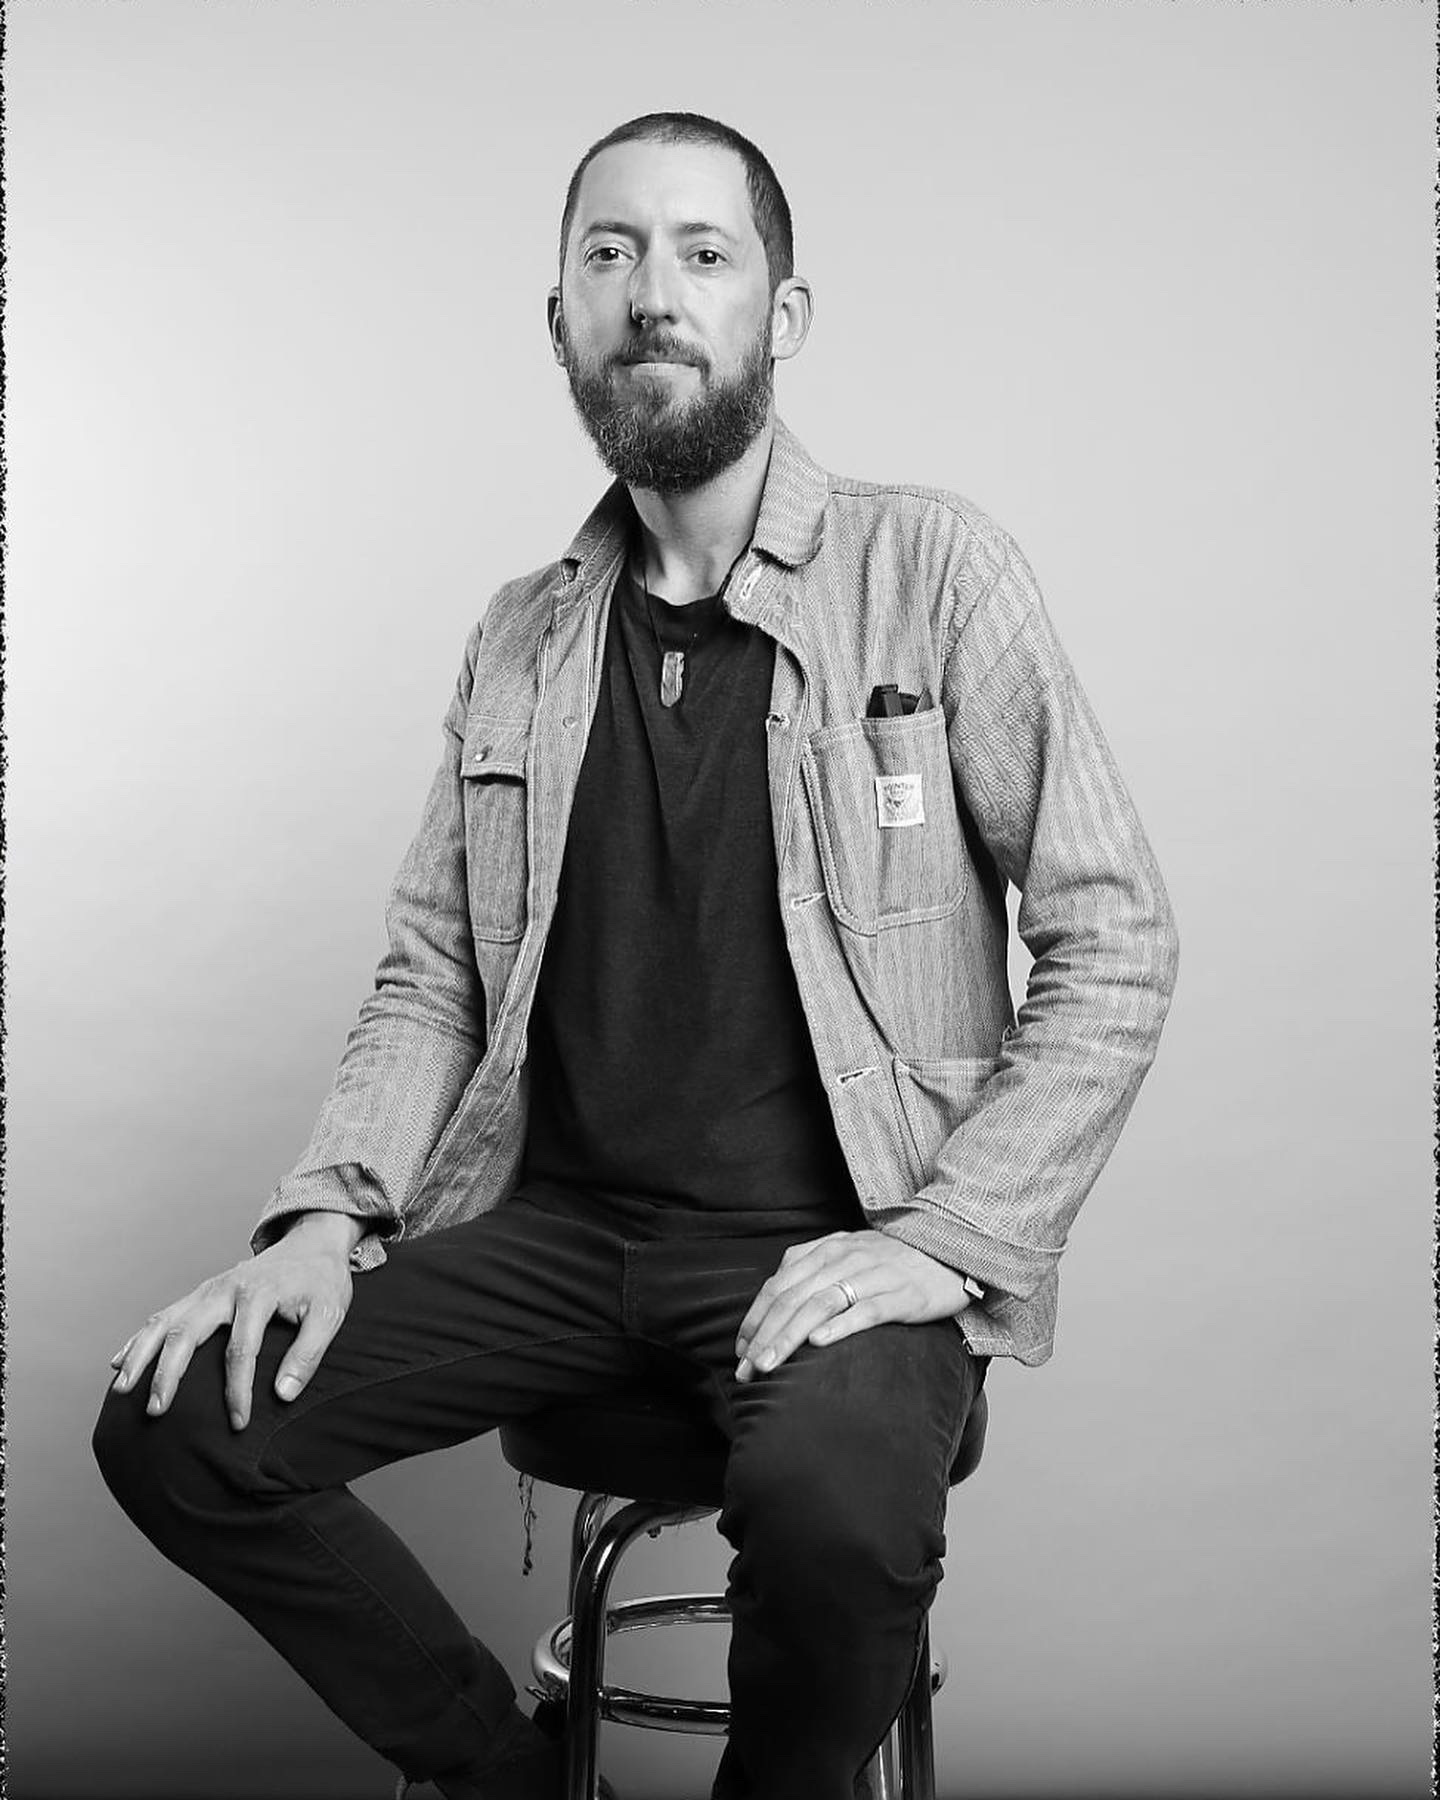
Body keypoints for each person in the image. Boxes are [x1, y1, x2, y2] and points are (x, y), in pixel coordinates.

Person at [93, 111, 1179, 1800]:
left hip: (832, 1244)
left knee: (835, 1518)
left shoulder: (933, 572)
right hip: (560, 1242)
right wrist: (325, 1218)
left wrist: (952, 1239)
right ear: (561, 322)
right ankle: (514, 1781)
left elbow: (1116, 938)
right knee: (178, 1425)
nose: (651, 293)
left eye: (702, 253)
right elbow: (434, 973)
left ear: (781, 313)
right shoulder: (521, 636)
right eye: (609, 255)